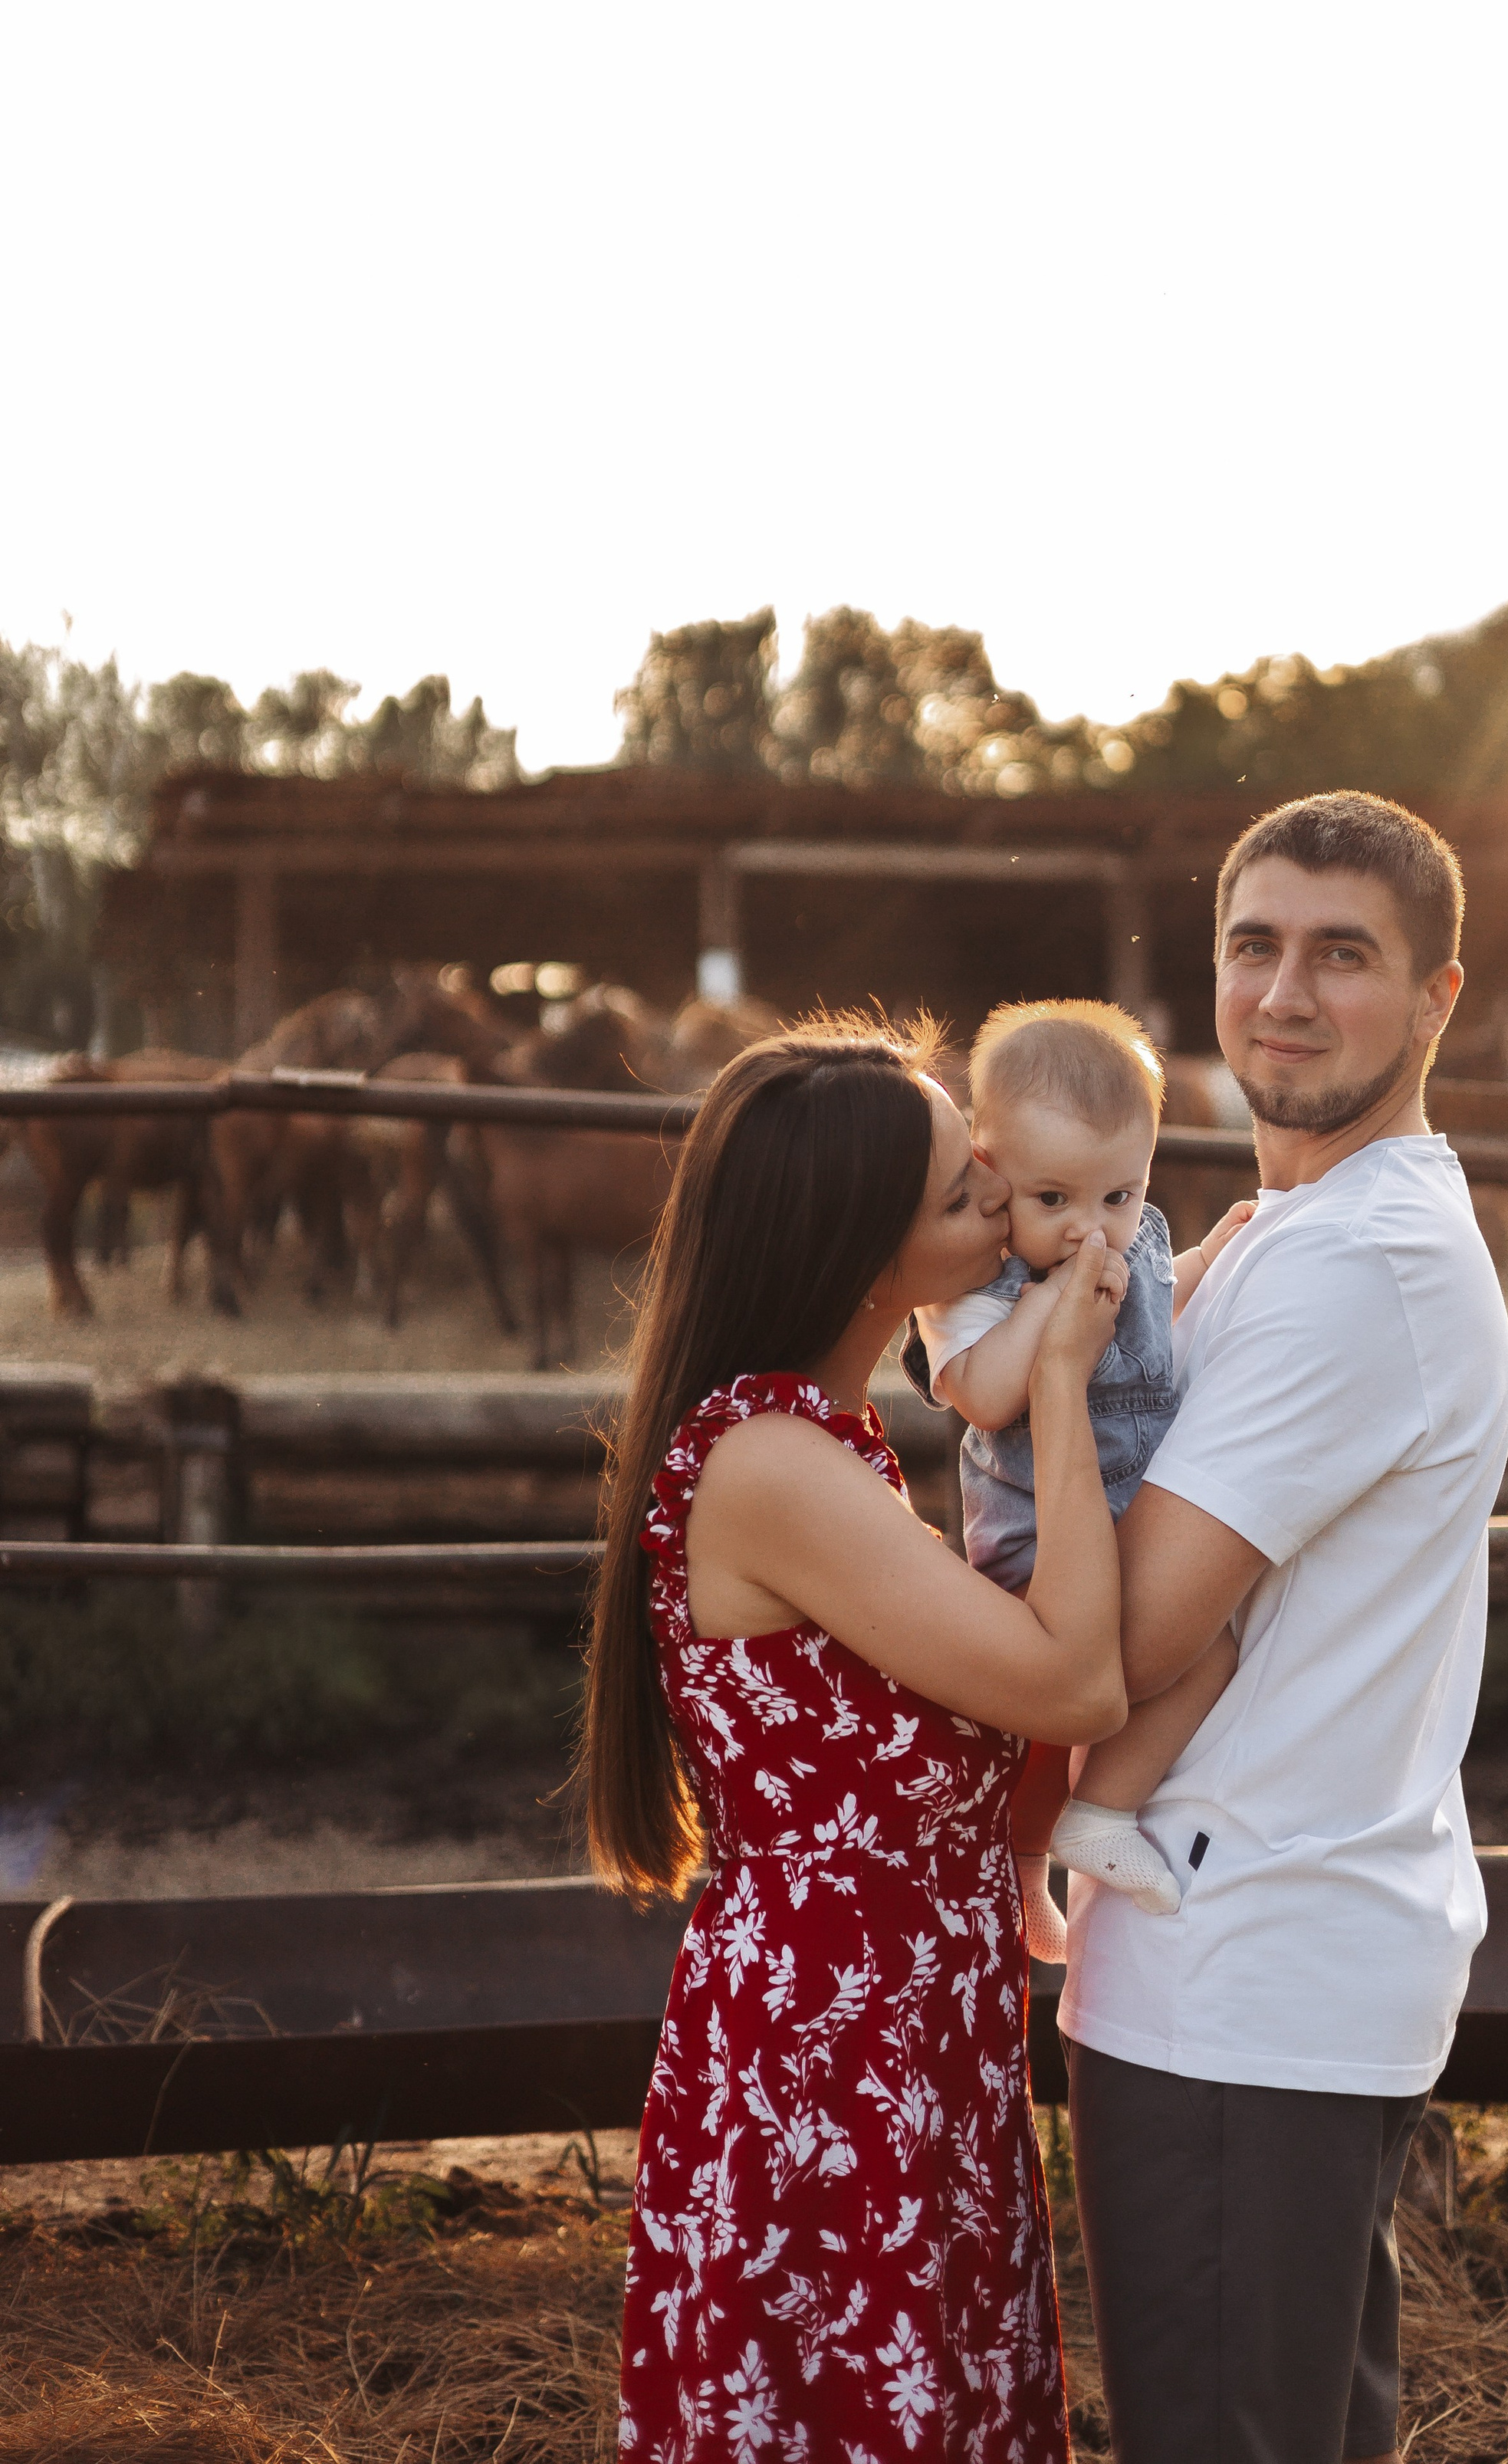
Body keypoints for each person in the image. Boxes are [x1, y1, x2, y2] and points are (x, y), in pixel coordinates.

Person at [581, 1016, 1129, 2464]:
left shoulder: (830, 1442)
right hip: (836, 2047)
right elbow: (1071, 1680)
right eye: (967, 1190)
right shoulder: (772, 1467)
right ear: (866, 1255)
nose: (1005, 1196)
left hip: (905, 2021)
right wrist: (1063, 1383)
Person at [1061, 792, 1508, 2464]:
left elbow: (1116, 1629)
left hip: (1243, 1953)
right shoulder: (1292, 1236)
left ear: (1436, 996)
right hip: (1278, 1942)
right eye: (1253, 944)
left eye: (1344, 953)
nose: (1285, 992)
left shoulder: (1354, 1262)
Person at [901, 997, 1253, 1960]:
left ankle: (1102, 1812)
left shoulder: (1131, 1242)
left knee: (1209, 1652)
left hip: (1134, 1520)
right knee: (1039, 1725)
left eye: (1118, 1195)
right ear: (989, 1165)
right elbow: (976, 1394)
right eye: (1051, 1199)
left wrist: (1206, 1260)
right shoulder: (974, 1286)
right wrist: (1050, 1324)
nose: (1088, 1229)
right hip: (1034, 1544)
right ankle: (1023, 1868)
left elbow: (1153, 1306)